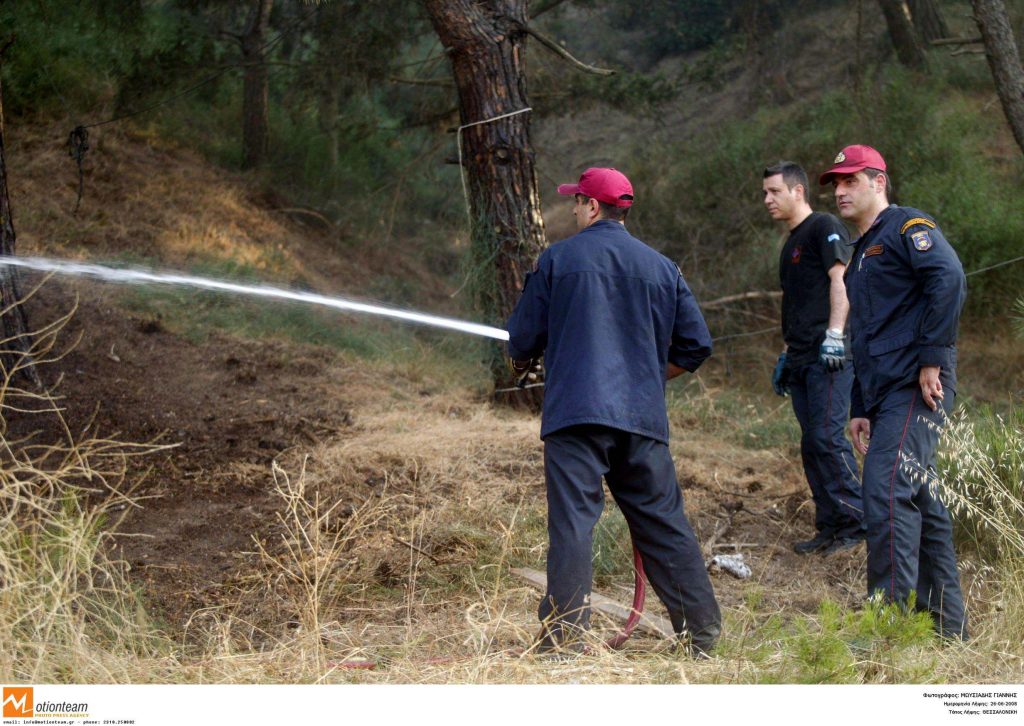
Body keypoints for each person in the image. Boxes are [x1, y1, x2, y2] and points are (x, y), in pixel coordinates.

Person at [506, 167, 721, 657]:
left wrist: (522, 356)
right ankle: (704, 634)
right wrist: (646, 375)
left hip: (576, 417)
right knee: (664, 523)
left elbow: (521, 340)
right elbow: (696, 346)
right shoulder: (663, 268)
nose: (574, 209)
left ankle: (563, 639)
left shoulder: (557, 260)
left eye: (577, 201)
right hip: (641, 419)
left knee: (573, 525)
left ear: (594, 207)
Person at [819, 144, 968, 639]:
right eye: (835, 184)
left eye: (850, 180)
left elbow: (948, 279)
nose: (840, 191)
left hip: (915, 385)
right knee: (921, 502)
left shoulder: (907, 227)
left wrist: (931, 357)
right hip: (884, 394)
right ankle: (948, 630)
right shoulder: (862, 252)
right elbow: (867, 332)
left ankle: (888, 626)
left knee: (883, 490)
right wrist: (860, 405)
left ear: (878, 182)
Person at [762, 161, 865, 555]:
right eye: (765, 193)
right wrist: (787, 355)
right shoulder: (791, 242)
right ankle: (830, 525)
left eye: (774, 192)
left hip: (830, 357)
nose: (768, 200)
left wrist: (836, 337)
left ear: (797, 192)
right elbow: (800, 304)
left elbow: (841, 280)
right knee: (811, 443)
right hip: (802, 357)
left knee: (826, 437)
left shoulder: (824, 227)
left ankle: (856, 525)